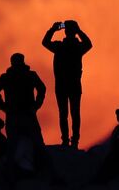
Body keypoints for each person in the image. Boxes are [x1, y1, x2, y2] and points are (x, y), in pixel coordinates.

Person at [0, 52, 46, 174]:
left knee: (14, 146)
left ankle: (13, 173)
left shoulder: (7, 77)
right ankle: (42, 171)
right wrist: (36, 105)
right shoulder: (29, 75)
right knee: (36, 144)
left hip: (16, 115)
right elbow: (42, 88)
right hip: (25, 115)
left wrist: (3, 106)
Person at [42, 20, 92, 149]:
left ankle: (66, 140)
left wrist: (53, 29)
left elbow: (45, 42)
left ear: (65, 31)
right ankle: (73, 141)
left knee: (64, 113)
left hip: (62, 86)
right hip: (73, 85)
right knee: (74, 113)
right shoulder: (77, 47)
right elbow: (88, 44)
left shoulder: (59, 47)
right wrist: (79, 31)